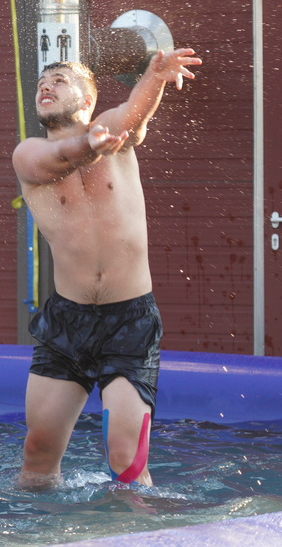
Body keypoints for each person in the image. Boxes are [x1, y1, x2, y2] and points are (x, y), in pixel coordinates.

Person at [12, 49, 202, 490]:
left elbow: (133, 114)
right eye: (42, 82)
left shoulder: (114, 133)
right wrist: (88, 146)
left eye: (59, 80)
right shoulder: (28, 153)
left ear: (87, 99)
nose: (46, 86)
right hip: (67, 322)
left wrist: (154, 78)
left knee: (126, 458)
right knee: (38, 452)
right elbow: (60, 159)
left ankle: (136, 524)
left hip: (129, 322)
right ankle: (34, 524)